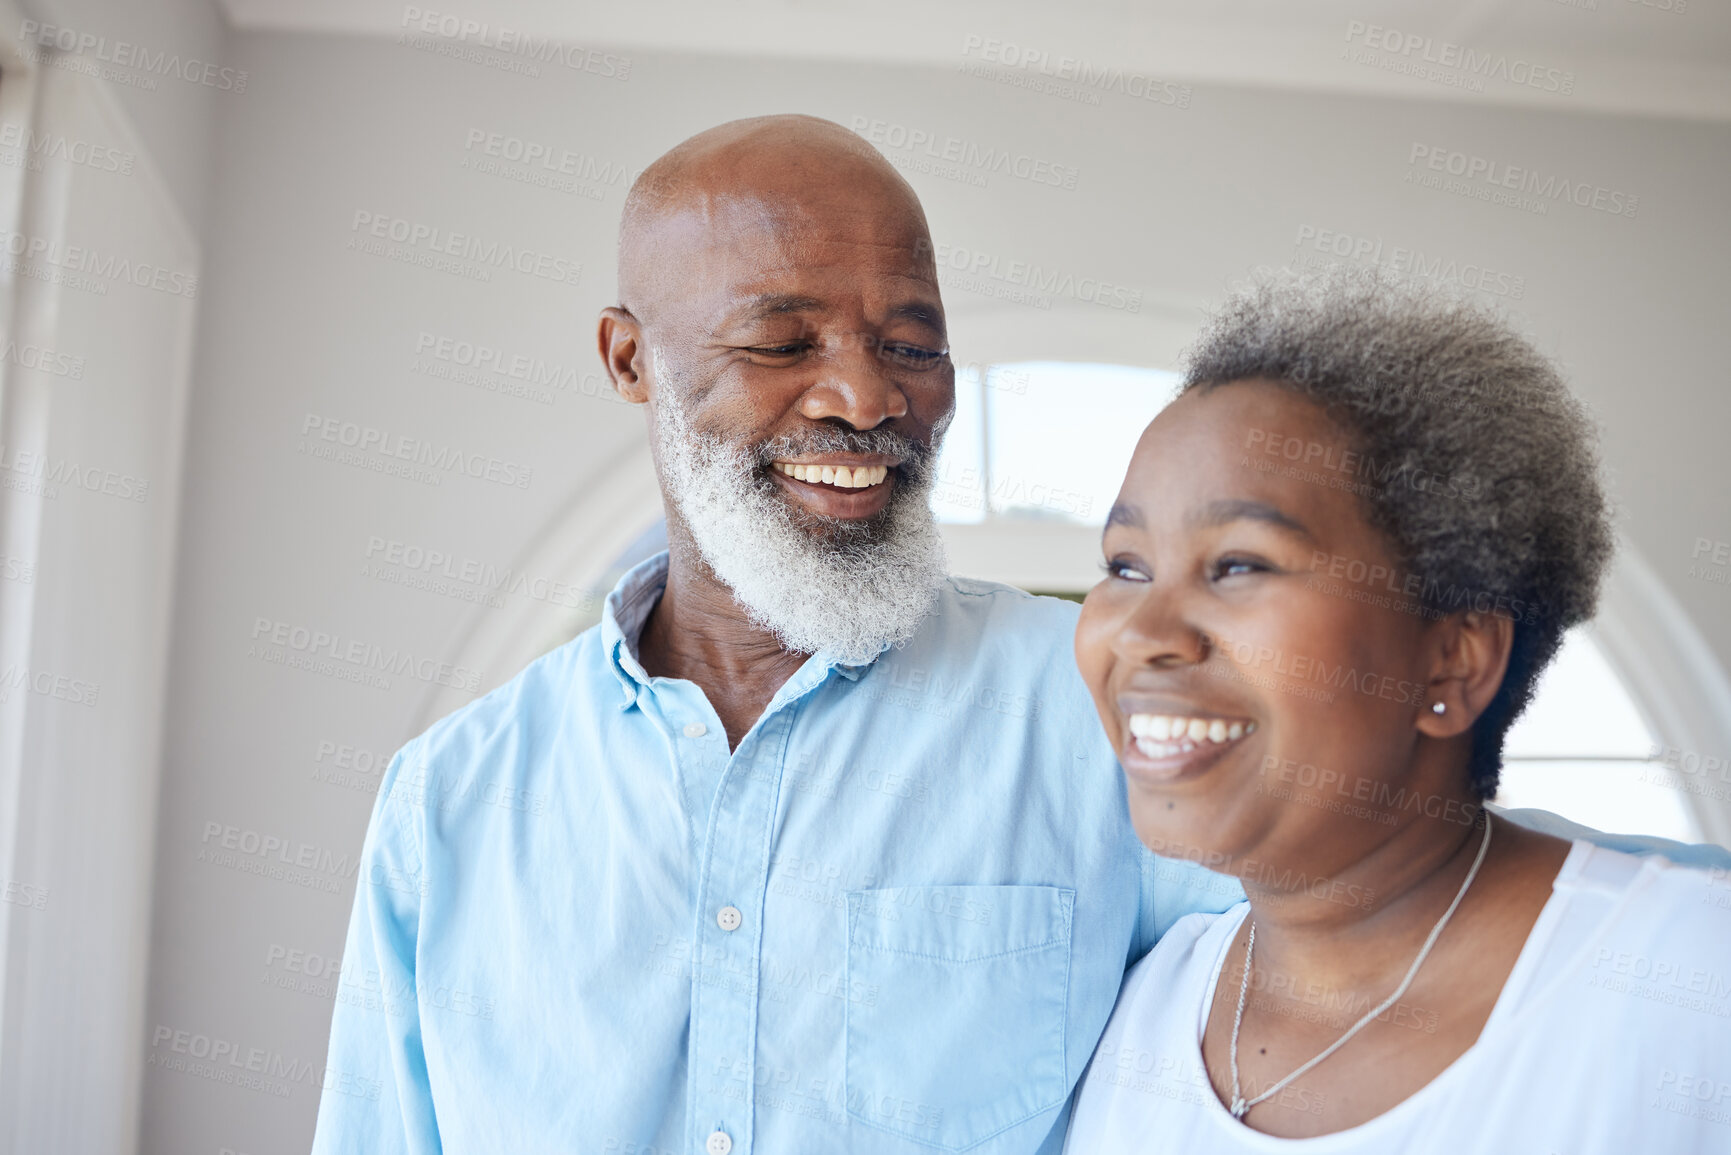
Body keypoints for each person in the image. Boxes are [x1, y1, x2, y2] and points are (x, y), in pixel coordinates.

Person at [310, 118, 1726, 1155]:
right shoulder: (450, 799)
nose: (863, 394)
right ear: (631, 360)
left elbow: (1396, 895)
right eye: (781, 339)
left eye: (912, 340)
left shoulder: (1109, 720)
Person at [1065, 269, 1731, 1152]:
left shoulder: (1688, 980)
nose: (1144, 631)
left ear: (1453, 655)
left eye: (1239, 564)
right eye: (1125, 566)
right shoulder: (1147, 1011)